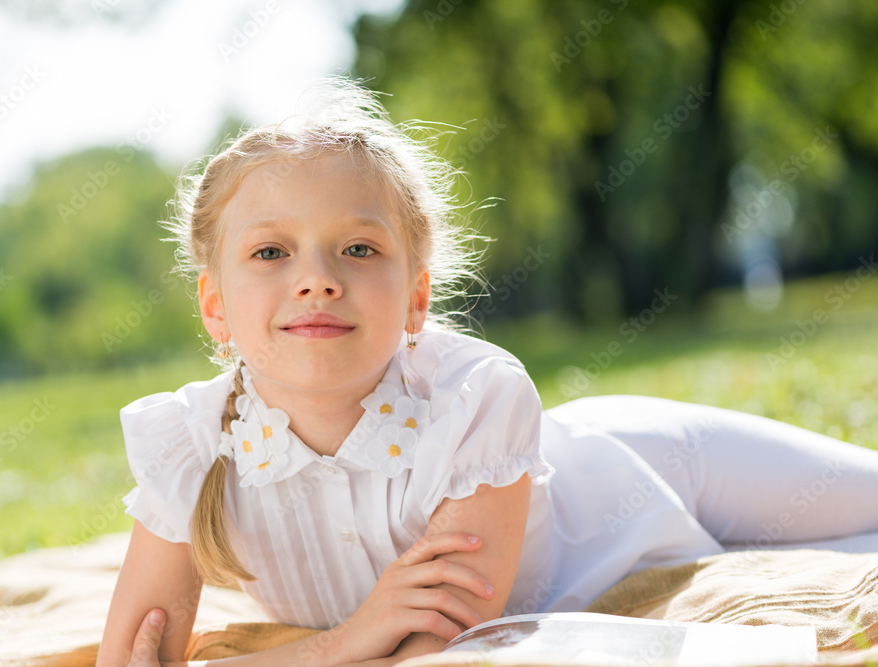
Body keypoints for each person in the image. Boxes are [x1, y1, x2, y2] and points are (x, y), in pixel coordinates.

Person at [96, 79, 878, 667]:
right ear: (215, 306)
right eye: (271, 252)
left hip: (649, 463)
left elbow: (438, 639)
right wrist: (350, 638)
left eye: (359, 248)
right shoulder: (191, 446)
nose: (317, 278)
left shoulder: (477, 398)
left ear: (417, 297)